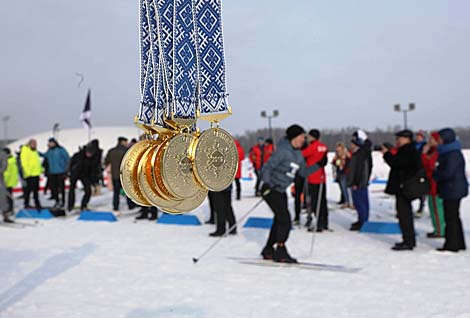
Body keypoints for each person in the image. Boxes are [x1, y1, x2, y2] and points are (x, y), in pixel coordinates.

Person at [260, 124, 321, 263]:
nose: (303, 140)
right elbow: (267, 168)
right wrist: (268, 182)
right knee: (285, 219)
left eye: (304, 137)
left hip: (281, 190)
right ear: (294, 137)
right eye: (301, 137)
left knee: (279, 219)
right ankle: (280, 250)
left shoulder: (298, 154)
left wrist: (319, 165)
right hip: (270, 189)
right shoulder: (282, 151)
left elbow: (303, 172)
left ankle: (268, 249)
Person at [382, 130, 422, 251]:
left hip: (404, 187)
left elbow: (397, 164)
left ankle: (408, 241)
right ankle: (408, 239)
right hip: (403, 186)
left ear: (407, 139)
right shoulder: (407, 150)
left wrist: (387, 155)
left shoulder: (408, 150)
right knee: (403, 214)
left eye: (399, 138)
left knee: (404, 214)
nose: (397, 141)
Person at [433, 128, 467, 252]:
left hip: (452, 189)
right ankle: (459, 242)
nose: (438, 141)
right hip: (453, 188)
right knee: (454, 217)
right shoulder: (450, 152)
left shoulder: (452, 154)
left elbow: (448, 173)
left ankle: (451, 245)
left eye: (440, 139)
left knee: (450, 218)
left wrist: (435, 174)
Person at [302, 129, 329, 232]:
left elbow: (302, 155)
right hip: (322, 177)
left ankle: (318, 223)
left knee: (315, 201)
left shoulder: (312, 147)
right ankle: (324, 221)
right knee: (322, 201)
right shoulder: (323, 147)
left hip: (313, 177)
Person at [421, 132, 445, 238]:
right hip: (431, 183)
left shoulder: (437, 152)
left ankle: (440, 230)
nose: (429, 141)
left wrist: (424, 155)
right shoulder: (433, 151)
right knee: (433, 208)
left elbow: (431, 166)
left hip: (435, 185)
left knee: (436, 208)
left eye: (432, 139)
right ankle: (437, 228)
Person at [347, 131, 373, 231]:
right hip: (359, 182)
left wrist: (356, 182)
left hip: (359, 183)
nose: (351, 145)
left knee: (360, 202)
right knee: (359, 203)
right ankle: (361, 220)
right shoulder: (360, 153)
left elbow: (360, 170)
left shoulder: (361, 154)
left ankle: (363, 221)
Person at [104, 137, 135, 211]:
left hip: (115, 175)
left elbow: (106, 162)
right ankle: (131, 205)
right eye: (126, 142)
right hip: (124, 175)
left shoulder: (111, 151)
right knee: (127, 191)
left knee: (116, 192)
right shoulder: (127, 151)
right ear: (122, 142)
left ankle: (115, 206)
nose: (127, 143)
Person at [43, 138, 70, 209]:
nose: (50, 144)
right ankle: (57, 201)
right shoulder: (49, 151)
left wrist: (66, 169)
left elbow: (67, 158)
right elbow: (45, 155)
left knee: (61, 188)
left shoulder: (61, 149)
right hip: (52, 172)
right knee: (54, 188)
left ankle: (63, 202)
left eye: (51, 143)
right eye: (49, 143)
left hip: (60, 172)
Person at [68, 146, 95, 212]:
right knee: (72, 189)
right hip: (75, 174)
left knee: (88, 190)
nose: (89, 155)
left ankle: (84, 205)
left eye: (91, 154)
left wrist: (92, 179)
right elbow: (70, 164)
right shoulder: (78, 155)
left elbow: (91, 169)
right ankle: (70, 205)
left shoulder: (91, 158)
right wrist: (69, 172)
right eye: (89, 153)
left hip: (84, 175)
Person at [20, 139, 43, 210]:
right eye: (33, 144)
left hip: (36, 174)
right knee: (28, 191)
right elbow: (24, 163)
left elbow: (36, 162)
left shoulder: (35, 151)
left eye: (35, 144)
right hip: (30, 175)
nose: (35, 145)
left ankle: (37, 204)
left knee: (36, 190)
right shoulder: (25, 150)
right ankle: (27, 204)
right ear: (29, 144)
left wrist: (41, 170)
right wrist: (28, 172)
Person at [332, 142, 351, 208]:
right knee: (342, 188)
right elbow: (334, 164)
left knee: (345, 188)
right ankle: (344, 200)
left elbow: (349, 163)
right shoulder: (337, 156)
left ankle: (347, 201)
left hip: (345, 173)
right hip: (339, 173)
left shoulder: (346, 155)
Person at [414, 130, 427, 216]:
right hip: (414, 169)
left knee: (422, 190)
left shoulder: (425, 146)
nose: (418, 138)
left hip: (422, 169)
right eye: (417, 136)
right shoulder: (413, 145)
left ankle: (421, 207)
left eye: (420, 137)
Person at [3, 148, 18, 215]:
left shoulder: (8, 162)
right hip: (10, 181)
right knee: (8, 196)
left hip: (7, 182)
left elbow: (7, 173)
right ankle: (10, 209)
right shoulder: (12, 160)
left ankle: (9, 210)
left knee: (7, 197)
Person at [0, 149, 13, 223]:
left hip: (0, 180)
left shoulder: (2, 154)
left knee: (3, 197)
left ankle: (5, 215)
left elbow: (4, 166)